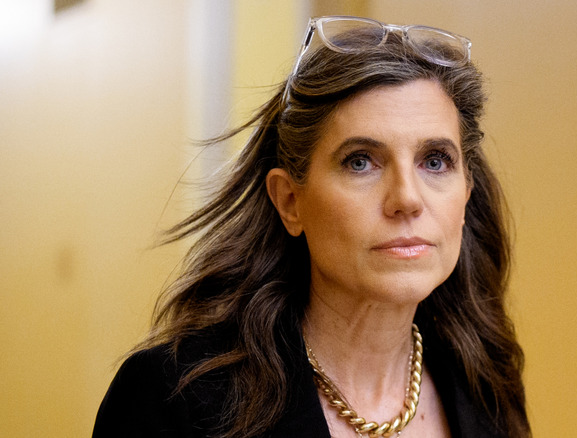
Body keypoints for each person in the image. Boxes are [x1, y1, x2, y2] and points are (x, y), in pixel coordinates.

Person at [93, 15, 530, 438]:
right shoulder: (173, 400)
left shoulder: (487, 386)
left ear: (467, 191)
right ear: (290, 201)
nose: (408, 199)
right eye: (361, 161)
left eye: (435, 161)